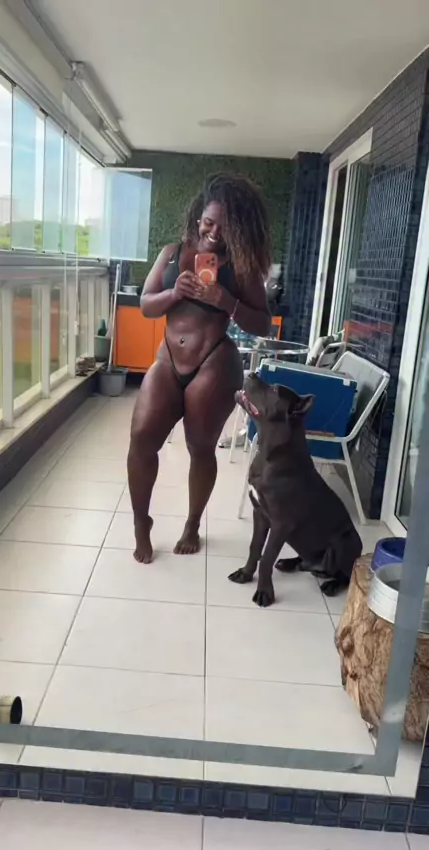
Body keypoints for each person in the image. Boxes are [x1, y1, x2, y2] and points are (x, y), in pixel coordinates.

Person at [127, 173, 272, 563]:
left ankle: (192, 524)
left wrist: (227, 301)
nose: (214, 233)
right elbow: (146, 305)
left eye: (225, 227)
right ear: (198, 217)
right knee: (141, 439)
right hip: (168, 360)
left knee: (200, 446)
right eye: (209, 223)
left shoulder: (242, 267)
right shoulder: (172, 253)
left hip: (214, 361)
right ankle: (142, 522)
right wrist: (175, 292)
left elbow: (262, 323)